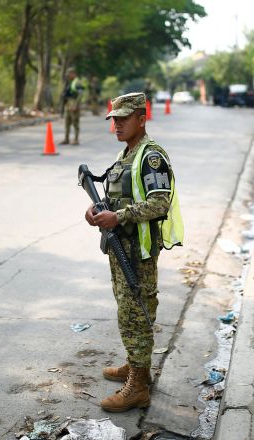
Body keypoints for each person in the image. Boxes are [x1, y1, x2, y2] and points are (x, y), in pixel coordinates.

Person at [84, 92, 184, 413]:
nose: (117, 124)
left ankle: (139, 385)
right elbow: (119, 196)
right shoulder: (126, 154)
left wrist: (119, 217)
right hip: (119, 248)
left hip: (138, 254)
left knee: (137, 314)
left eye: (124, 118)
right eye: (114, 119)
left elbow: (159, 202)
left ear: (142, 118)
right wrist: (97, 210)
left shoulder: (151, 156)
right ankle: (135, 366)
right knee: (126, 312)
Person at [60, 67, 84, 145]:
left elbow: (80, 95)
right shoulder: (69, 82)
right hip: (68, 104)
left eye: (69, 74)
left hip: (73, 104)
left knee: (75, 123)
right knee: (67, 123)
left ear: (73, 74)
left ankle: (76, 139)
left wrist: (76, 105)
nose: (68, 76)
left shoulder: (77, 82)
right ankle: (66, 139)